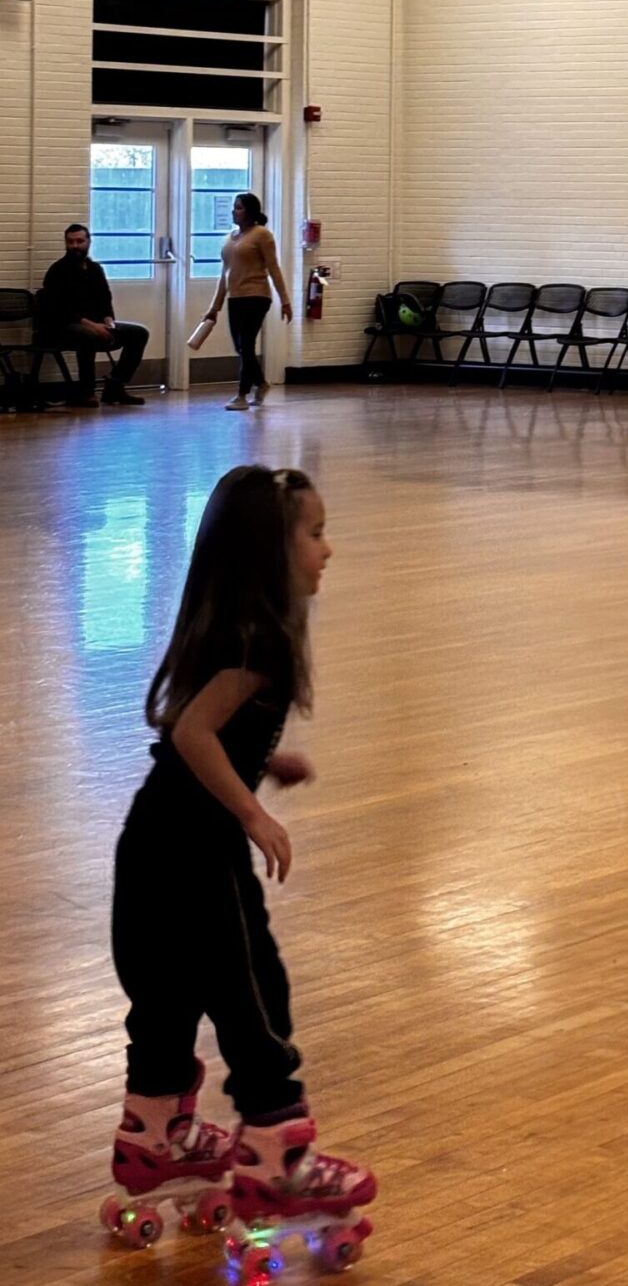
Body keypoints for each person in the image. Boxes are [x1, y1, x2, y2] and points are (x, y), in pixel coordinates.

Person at [106, 466, 375, 1242]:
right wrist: (253, 810)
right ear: (271, 549)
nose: (329, 550)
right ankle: (274, 1149)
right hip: (196, 849)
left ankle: (155, 1133)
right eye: (315, 534)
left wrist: (264, 766)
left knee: (166, 992)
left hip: (157, 839)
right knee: (252, 991)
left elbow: (193, 732)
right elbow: (192, 732)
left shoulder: (230, 625)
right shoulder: (260, 639)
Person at [39, 224, 149, 407]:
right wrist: (93, 325)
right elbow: (59, 310)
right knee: (87, 336)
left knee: (139, 333)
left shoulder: (95, 269)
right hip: (62, 326)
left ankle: (115, 385)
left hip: (95, 323)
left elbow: (105, 299)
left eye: (79, 241)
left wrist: (108, 320)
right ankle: (85, 392)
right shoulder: (58, 271)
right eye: (71, 242)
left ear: (88, 242)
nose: (75, 246)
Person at [203, 194, 293, 412]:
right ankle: (261, 384)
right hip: (236, 297)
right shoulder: (230, 238)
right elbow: (224, 275)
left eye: (239, 208)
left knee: (246, 344)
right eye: (234, 208)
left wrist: (285, 301)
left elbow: (274, 269)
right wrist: (214, 307)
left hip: (256, 296)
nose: (234, 211)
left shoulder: (262, 235)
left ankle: (242, 395)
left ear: (251, 211)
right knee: (240, 347)